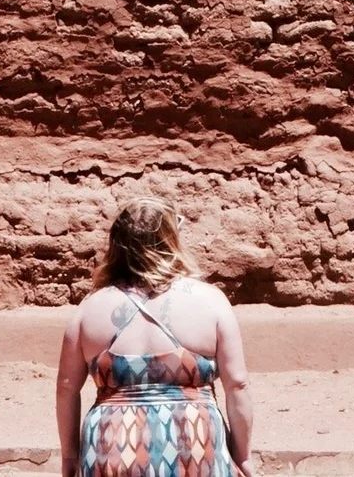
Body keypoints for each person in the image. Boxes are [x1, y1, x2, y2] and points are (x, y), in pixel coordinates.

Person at [56, 198, 255, 477]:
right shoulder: (210, 301)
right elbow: (238, 384)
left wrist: (69, 456)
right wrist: (242, 456)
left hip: (112, 448)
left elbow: (66, 388)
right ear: (172, 240)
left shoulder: (90, 308)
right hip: (194, 445)